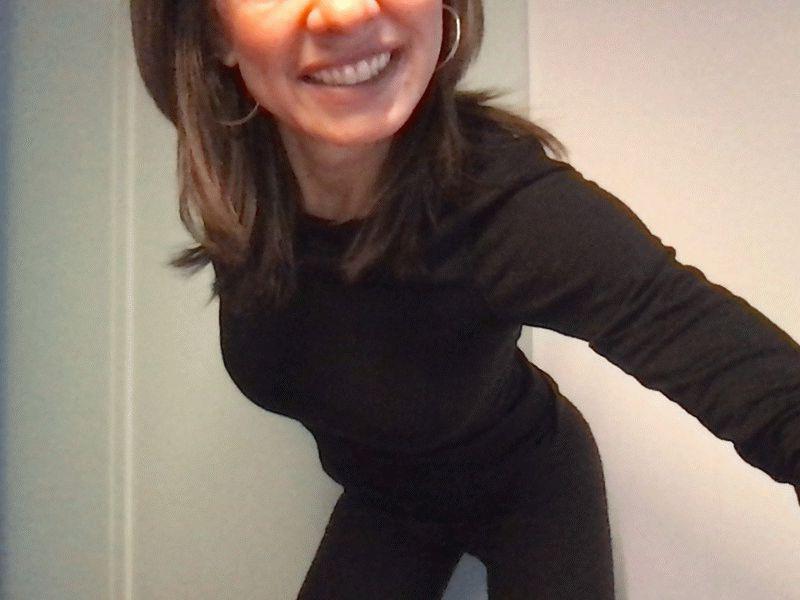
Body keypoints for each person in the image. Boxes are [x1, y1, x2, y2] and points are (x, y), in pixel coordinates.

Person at [130, 1, 800, 598]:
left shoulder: (507, 209)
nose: (346, 11)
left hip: (531, 493)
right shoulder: (245, 197)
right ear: (212, 30)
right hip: (383, 500)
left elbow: (768, 394)